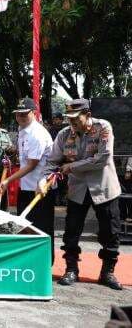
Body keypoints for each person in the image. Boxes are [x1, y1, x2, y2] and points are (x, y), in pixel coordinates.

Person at [40, 98, 122, 290]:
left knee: (110, 231)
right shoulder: (63, 134)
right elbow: (53, 162)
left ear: (88, 115)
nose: (72, 122)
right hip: (77, 189)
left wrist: (71, 166)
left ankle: (107, 272)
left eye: (76, 118)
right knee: (71, 230)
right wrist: (44, 179)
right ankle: (71, 269)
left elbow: (103, 158)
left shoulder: (103, 128)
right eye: (69, 118)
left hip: (104, 188)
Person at [0, 98, 55, 261]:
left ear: (34, 113)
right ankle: (30, 260)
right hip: (27, 186)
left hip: (40, 187)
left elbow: (31, 164)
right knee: (26, 227)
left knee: (41, 228)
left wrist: (8, 181)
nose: (21, 117)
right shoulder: (23, 129)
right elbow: (23, 157)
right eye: (18, 114)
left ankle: (44, 263)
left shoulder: (37, 133)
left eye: (25, 114)